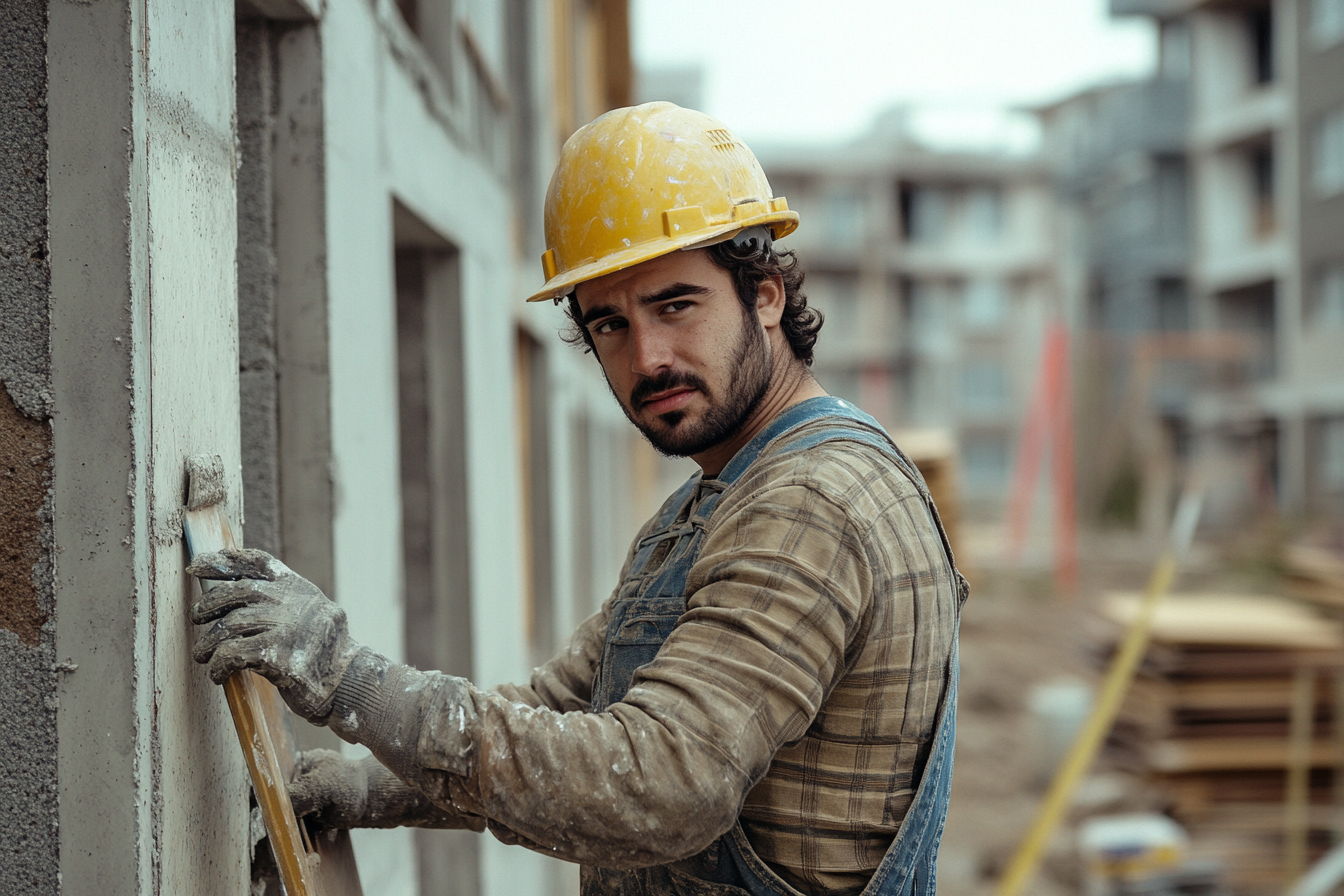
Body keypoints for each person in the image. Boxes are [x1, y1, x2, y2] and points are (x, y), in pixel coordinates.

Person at [189, 102, 968, 896]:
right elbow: (560, 721)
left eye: (675, 304)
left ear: (764, 295)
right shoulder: (711, 503)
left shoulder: (807, 502)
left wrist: (342, 676)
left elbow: (660, 787)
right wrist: (372, 788)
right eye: (609, 324)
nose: (648, 356)